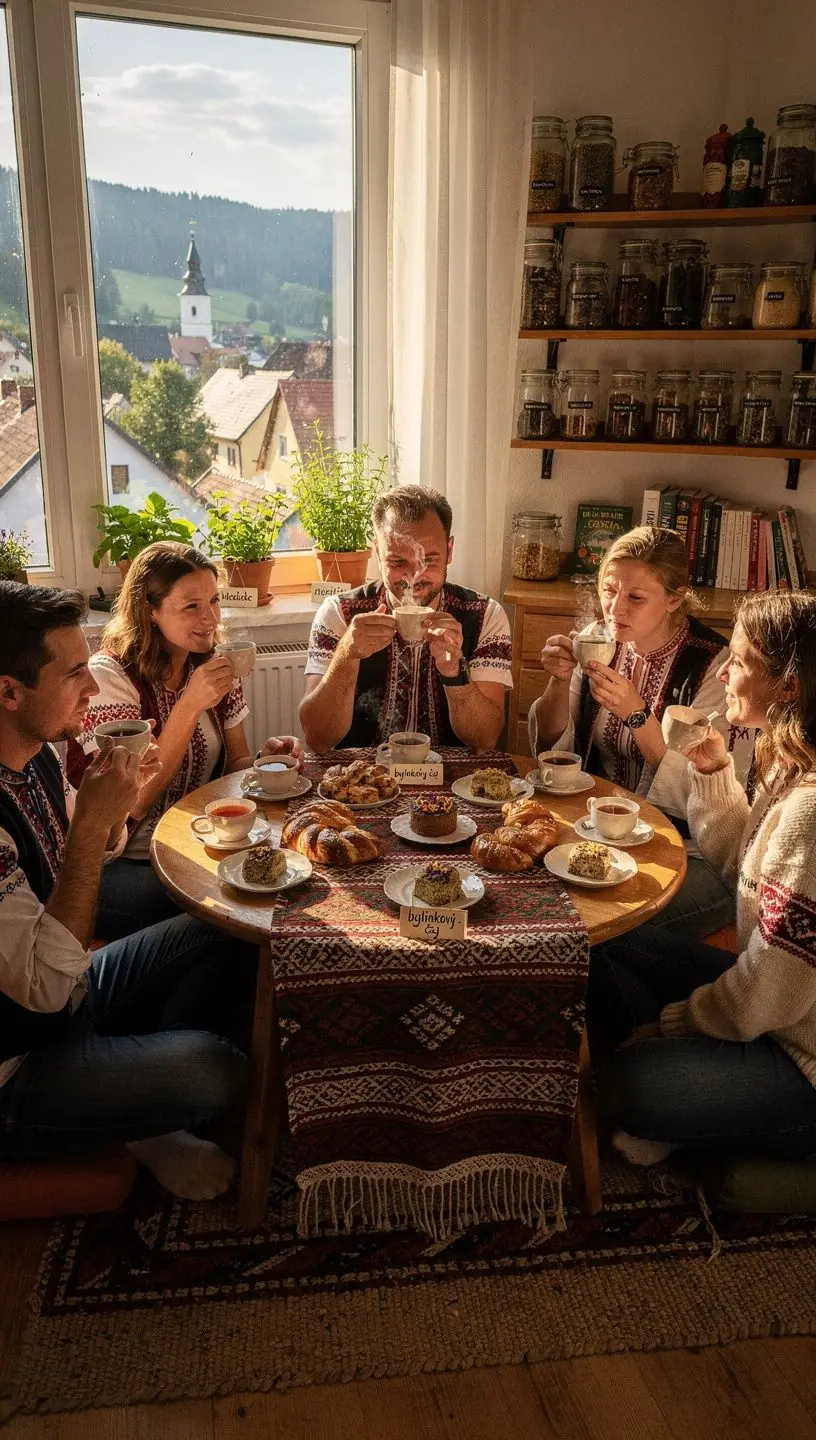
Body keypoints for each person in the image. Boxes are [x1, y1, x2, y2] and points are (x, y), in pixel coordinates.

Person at [0, 581, 252, 1200]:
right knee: (220, 1071)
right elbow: (43, 989)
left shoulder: (33, 754)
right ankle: (133, 1118)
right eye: (73, 674)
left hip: (67, 995)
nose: (89, 688)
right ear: (9, 691)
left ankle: (129, 1085)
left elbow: (89, 849)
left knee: (228, 918)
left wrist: (109, 813)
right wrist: (90, 832)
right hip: (16, 1063)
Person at [588, 590, 816, 1166]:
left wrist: (677, 1023)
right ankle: (702, 1085)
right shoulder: (792, 759)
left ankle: (735, 1118)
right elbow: (743, 867)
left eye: (738, 661)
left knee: (621, 1086)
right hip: (772, 1004)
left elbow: (767, 993)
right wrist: (714, 773)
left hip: (802, 1053)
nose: (722, 671)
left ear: (788, 685)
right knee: (602, 940)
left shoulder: (811, 812)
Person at [528, 526, 755, 938]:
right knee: (531, 895)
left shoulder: (713, 668)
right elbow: (550, 749)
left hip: (692, 852)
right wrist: (558, 681)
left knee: (603, 929)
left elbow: (703, 794)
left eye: (635, 598)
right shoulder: (598, 642)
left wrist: (638, 715)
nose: (615, 609)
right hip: (598, 835)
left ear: (674, 598)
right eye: (609, 590)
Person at [70, 542, 302, 939]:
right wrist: (190, 704)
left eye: (214, 601)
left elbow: (236, 765)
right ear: (150, 610)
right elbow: (134, 800)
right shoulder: (109, 677)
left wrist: (267, 762)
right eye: (191, 606)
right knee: (228, 914)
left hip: (196, 845)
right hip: (118, 863)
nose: (210, 618)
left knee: (281, 888)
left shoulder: (211, 663)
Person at [300, 485, 513, 751]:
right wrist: (347, 655)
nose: (413, 578)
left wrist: (454, 673)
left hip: (453, 780)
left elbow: (486, 739)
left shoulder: (485, 615)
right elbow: (317, 737)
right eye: (398, 563)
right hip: (361, 780)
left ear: (450, 549)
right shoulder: (338, 613)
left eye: (429, 561)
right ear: (377, 552)